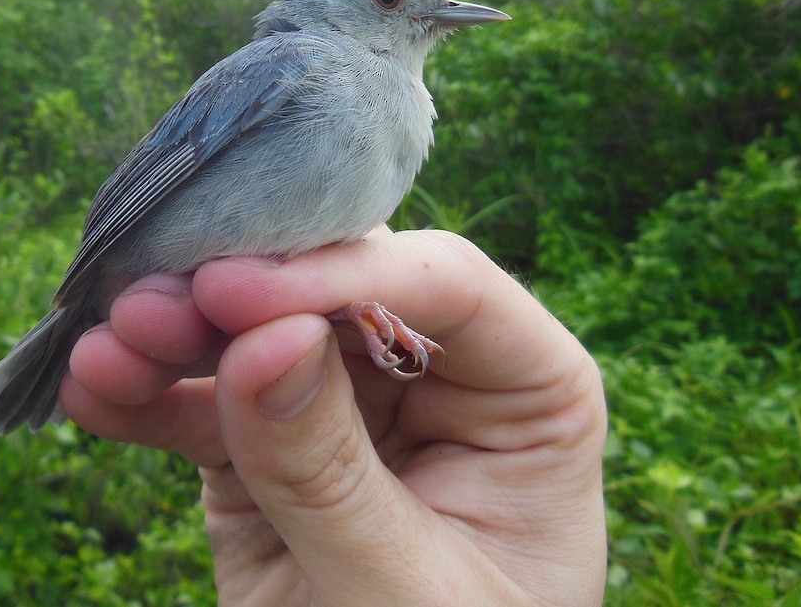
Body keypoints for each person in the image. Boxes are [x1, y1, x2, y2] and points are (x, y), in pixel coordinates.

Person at [60, 226, 608, 606]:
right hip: (166, 260)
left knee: (258, 300)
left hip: (220, 300)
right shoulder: (307, 64)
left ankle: (346, 307)